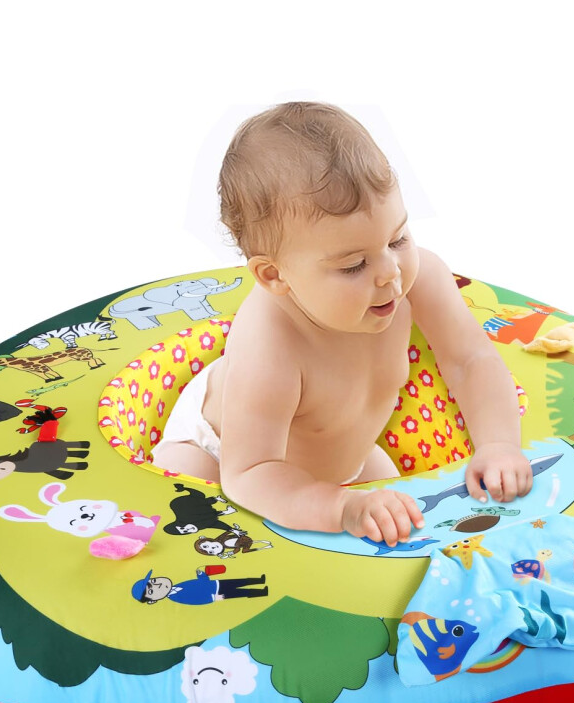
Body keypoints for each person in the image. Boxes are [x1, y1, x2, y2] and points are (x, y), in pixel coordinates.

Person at [152, 102, 532, 547]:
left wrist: (499, 445)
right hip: (223, 456)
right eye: (354, 265)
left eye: (398, 238)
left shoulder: (419, 279)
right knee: (183, 499)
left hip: (344, 462)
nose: (390, 272)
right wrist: (341, 508)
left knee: (405, 521)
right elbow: (250, 472)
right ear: (275, 276)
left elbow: (471, 360)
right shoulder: (268, 343)